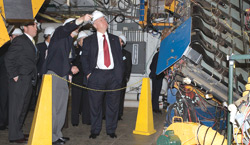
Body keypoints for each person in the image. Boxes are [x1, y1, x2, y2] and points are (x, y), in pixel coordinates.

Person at [42, 14, 92, 145]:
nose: (77, 30)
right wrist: (81, 20)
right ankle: (51, 136)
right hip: (53, 75)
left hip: (63, 75)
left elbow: (62, 60)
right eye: (76, 28)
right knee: (53, 108)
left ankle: (57, 134)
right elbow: (66, 29)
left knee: (61, 108)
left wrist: (71, 68)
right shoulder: (59, 34)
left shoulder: (69, 42)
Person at [81, 10, 124, 139]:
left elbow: (119, 58)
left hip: (113, 76)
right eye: (101, 20)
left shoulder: (115, 39)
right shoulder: (89, 40)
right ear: (95, 25)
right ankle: (95, 130)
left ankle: (111, 129)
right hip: (96, 75)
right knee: (95, 105)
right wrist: (89, 74)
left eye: (104, 19)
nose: (105, 22)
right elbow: (84, 59)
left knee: (113, 105)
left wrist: (119, 76)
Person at [4, 21, 38, 143]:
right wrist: (14, 75)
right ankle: (14, 135)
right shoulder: (20, 40)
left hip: (28, 79)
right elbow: (9, 58)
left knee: (23, 108)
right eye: (33, 26)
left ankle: (18, 132)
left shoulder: (30, 41)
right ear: (25, 28)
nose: (36, 28)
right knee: (16, 108)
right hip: (20, 79)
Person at [0, 28, 23, 131]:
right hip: (4, 78)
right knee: (3, 101)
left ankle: (10, 122)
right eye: (15, 36)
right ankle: (2, 122)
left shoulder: (21, 49)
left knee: (13, 102)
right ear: (10, 37)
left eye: (19, 37)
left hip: (16, 79)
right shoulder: (4, 48)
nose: (17, 39)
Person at [29, 26, 55, 111]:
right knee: (40, 92)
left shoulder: (55, 47)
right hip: (40, 74)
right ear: (48, 36)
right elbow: (34, 61)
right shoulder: (39, 46)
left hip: (52, 74)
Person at [71, 31, 91, 126]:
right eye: (84, 40)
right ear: (79, 42)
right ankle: (75, 121)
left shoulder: (90, 52)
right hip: (77, 79)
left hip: (86, 79)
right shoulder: (75, 52)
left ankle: (86, 119)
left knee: (86, 100)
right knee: (76, 100)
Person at [118, 34, 132, 120]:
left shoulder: (127, 54)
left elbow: (129, 67)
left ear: (122, 43)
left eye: (119, 40)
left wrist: (126, 77)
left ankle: (119, 114)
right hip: (111, 79)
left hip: (122, 79)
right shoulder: (111, 52)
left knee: (120, 97)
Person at [149, 48, 165, 114]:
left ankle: (153, 107)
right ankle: (155, 108)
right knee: (157, 93)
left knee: (154, 92)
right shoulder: (160, 56)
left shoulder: (156, 55)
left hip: (154, 76)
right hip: (158, 76)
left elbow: (151, 66)